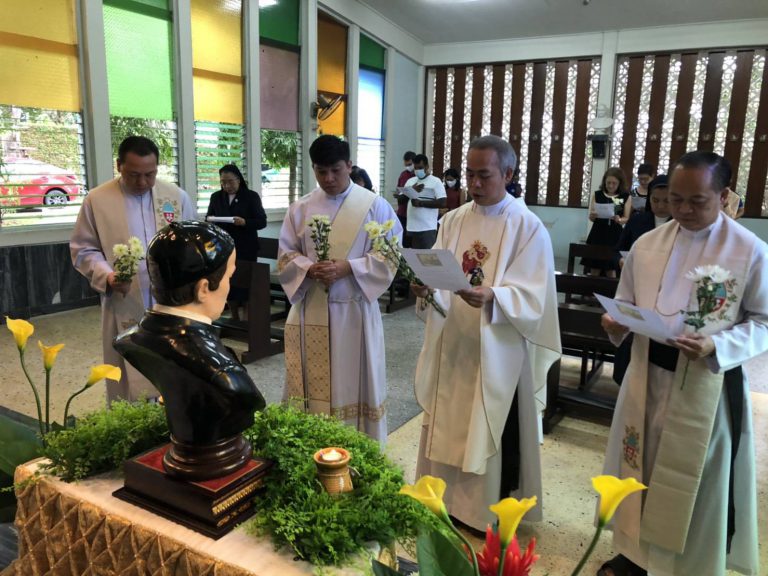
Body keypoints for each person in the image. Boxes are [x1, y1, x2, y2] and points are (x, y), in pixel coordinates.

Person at [599, 151, 766, 576]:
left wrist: (717, 345)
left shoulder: (748, 251)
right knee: (639, 464)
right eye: (675, 199)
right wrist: (615, 321)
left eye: (697, 201)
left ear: (723, 196)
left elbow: (764, 321)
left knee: (691, 479)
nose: (684, 210)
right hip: (645, 376)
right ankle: (634, 555)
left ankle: (685, 566)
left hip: (704, 384)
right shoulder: (647, 245)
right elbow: (625, 300)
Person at [413, 135, 561, 532]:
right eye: (469, 175)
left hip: (498, 350)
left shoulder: (527, 227)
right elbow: (439, 270)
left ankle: (481, 512)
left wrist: (494, 296)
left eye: (484, 175)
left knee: (487, 425)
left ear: (508, 174)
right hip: (454, 343)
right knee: (448, 419)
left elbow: (536, 296)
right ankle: (442, 499)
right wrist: (426, 288)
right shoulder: (454, 219)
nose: (474, 184)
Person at [114, 220, 266, 480]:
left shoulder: (130, 339)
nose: (229, 287)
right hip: (214, 460)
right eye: (229, 277)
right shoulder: (225, 376)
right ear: (204, 288)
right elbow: (247, 398)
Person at [278, 135, 402, 443]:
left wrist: (349, 267)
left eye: (335, 170)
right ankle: (310, 444)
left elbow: (390, 255)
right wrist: (309, 268)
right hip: (312, 307)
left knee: (354, 379)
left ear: (349, 165)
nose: (329, 178)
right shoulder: (301, 208)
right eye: (321, 171)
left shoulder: (375, 206)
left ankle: (358, 444)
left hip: (355, 309)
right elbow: (286, 255)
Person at [70, 136, 197, 404]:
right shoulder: (97, 200)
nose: (142, 182)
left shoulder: (175, 197)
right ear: (119, 166)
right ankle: (133, 422)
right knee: (128, 376)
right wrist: (107, 275)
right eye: (134, 175)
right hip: (124, 298)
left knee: (171, 368)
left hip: (170, 302)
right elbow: (83, 248)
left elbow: (191, 243)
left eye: (150, 175)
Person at [612, 174, 671, 385]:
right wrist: (621, 260)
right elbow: (617, 249)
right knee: (629, 342)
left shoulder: (679, 225)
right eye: (655, 200)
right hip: (635, 290)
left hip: (664, 296)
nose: (660, 206)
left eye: (666, 201)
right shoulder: (638, 220)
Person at [205, 164, 267, 322]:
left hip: (245, 248)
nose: (227, 186)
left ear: (238, 180)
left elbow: (262, 221)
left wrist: (245, 222)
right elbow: (209, 217)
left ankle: (247, 319)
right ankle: (234, 317)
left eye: (230, 181)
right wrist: (210, 220)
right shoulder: (216, 197)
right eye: (223, 182)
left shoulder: (251, 196)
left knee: (245, 285)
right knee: (228, 284)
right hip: (224, 248)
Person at [583, 167, 631, 277]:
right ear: (604, 182)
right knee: (595, 267)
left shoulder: (624, 197)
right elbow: (592, 217)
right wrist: (592, 216)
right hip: (598, 234)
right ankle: (592, 288)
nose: (610, 186)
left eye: (614, 183)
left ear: (620, 183)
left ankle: (610, 288)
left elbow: (626, 218)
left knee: (611, 268)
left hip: (614, 235)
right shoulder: (598, 194)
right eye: (608, 182)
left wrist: (619, 219)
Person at [402, 154, 447, 248]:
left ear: (427, 167)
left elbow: (442, 202)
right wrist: (411, 190)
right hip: (412, 227)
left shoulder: (435, 181)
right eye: (415, 168)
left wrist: (421, 203)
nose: (417, 170)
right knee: (412, 255)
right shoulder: (410, 181)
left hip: (428, 227)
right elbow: (401, 201)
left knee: (428, 255)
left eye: (420, 168)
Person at [395, 151, 416, 242]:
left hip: (414, 213)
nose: (408, 167)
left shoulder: (419, 176)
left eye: (410, 164)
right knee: (402, 240)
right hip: (402, 212)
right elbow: (398, 189)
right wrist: (398, 193)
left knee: (412, 241)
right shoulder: (403, 175)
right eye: (406, 165)